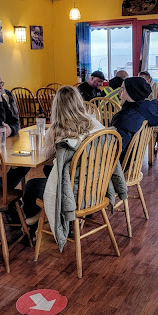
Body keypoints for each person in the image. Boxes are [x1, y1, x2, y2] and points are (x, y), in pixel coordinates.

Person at [23, 86, 114, 230]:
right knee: (49, 170)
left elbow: (46, 155)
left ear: (56, 106)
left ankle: (32, 223)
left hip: (72, 192)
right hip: (96, 186)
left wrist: (45, 144)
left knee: (31, 185)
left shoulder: (56, 129)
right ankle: (69, 220)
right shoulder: (95, 124)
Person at [110, 77, 158, 160]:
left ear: (131, 93)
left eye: (123, 89)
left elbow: (116, 150)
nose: (119, 93)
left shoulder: (127, 118)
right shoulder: (146, 111)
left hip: (118, 163)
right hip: (133, 159)